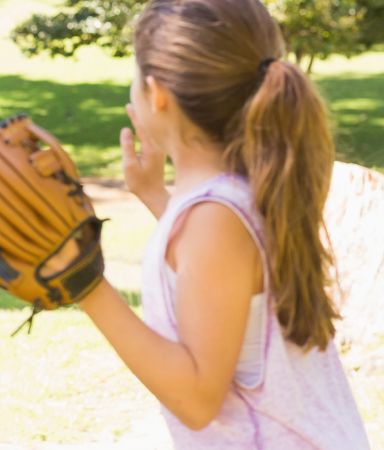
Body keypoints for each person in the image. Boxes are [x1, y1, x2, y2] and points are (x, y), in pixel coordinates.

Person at [72, 0, 370, 447]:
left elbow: (196, 397)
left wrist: (84, 284)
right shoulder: (234, 201)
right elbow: (213, 283)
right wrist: (156, 196)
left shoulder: (217, 218)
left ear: (157, 94)